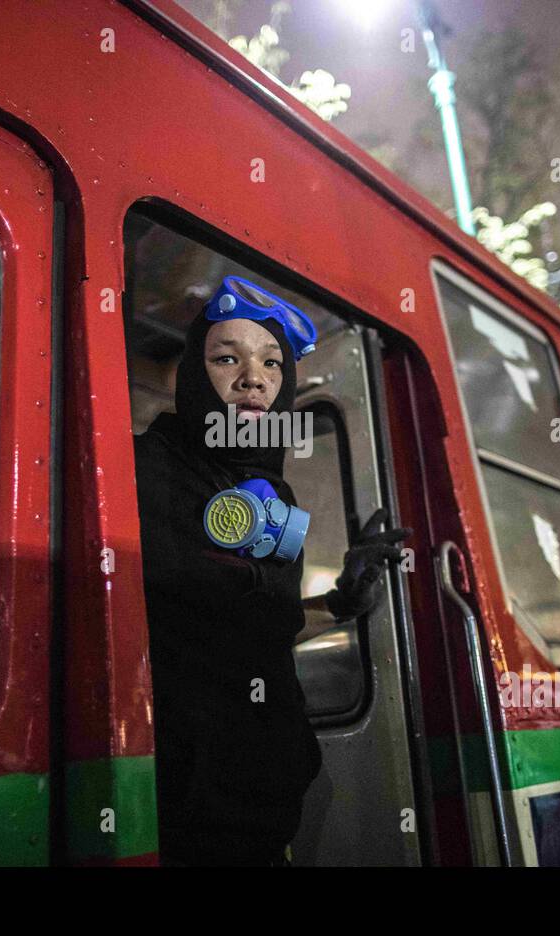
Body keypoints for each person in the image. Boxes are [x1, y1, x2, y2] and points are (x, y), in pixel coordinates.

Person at [134, 276, 409, 866]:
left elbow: (261, 626)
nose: (252, 378)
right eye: (226, 357)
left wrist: (340, 602)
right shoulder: (139, 472)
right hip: (176, 821)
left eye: (271, 364)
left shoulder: (273, 496)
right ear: (192, 374)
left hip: (272, 812)